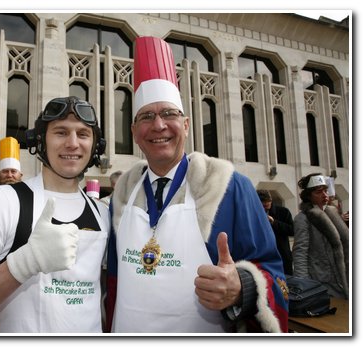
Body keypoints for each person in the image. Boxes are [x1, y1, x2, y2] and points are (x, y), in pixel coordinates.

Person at [105, 36, 288, 333]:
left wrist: (242, 287)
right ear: (135, 132)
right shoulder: (122, 196)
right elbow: (112, 280)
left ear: (186, 125)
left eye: (168, 113)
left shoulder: (230, 187)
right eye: (146, 117)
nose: (159, 125)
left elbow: (274, 271)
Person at [0, 96, 110, 333]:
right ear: (39, 141)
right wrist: (23, 264)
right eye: (60, 132)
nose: (72, 143)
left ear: (96, 146)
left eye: (83, 134)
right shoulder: (0, 202)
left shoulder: (103, 214)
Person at [292, 173, 349, 299]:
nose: (324, 195)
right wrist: (305, 287)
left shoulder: (332, 212)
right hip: (323, 282)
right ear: (309, 196)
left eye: (325, 191)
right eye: (318, 192)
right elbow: (300, 253)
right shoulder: (303, 219)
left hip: (344, 277)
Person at [256, 189, 294, 275]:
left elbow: (292, 230)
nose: (266, 204)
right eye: (263, 202)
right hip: (263, 256)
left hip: (282, 255)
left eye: (268, 201)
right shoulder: (253, 213)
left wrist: (274, 222)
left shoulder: (283, 212)